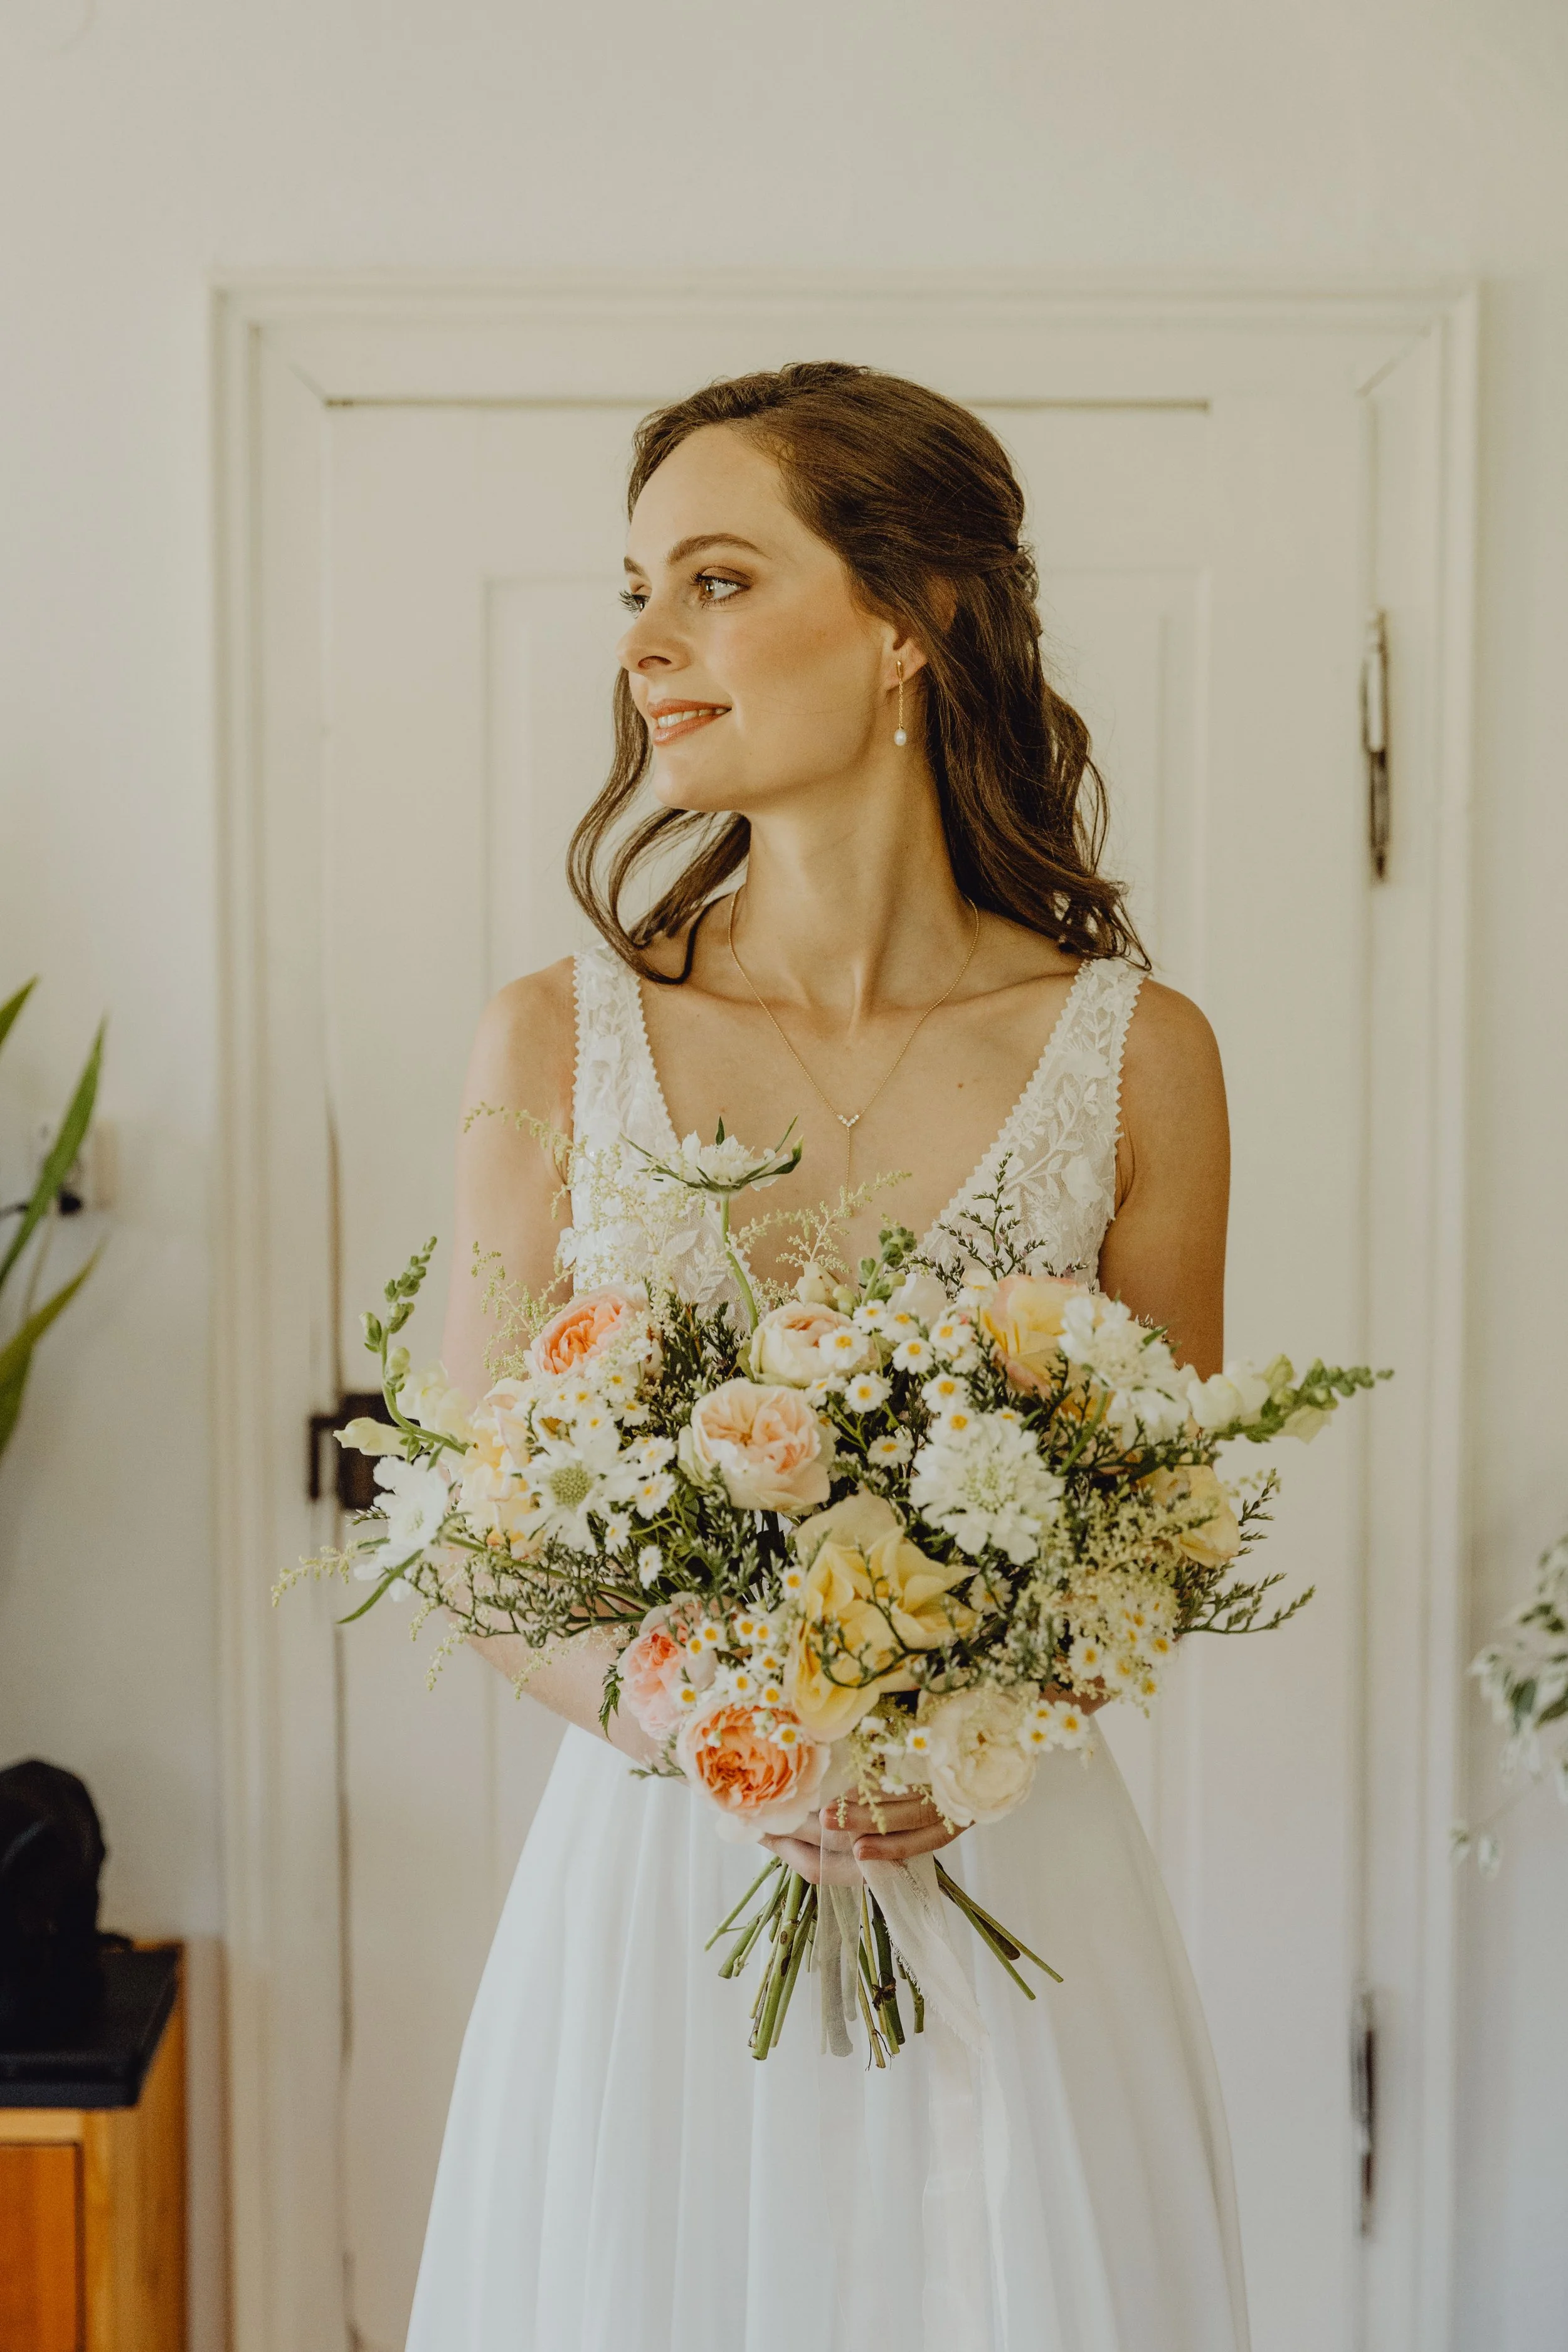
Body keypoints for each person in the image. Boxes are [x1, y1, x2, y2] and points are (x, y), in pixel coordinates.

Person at [406, 362, 1246, 2351]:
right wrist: (708, 1722)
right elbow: (455, 1521)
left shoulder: (1140, 1056)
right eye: (635, 589)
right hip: (655, 1916)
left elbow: (1166, 1530)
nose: (641, 648)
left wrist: (980, 1730)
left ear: (907, 620)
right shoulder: (554, 1038)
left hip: (1008, 1896)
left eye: (711, 580)